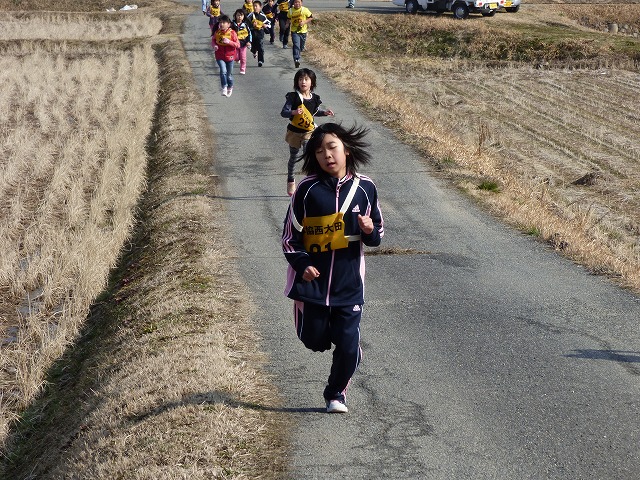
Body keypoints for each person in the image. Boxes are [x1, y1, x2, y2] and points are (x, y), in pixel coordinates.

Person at [282, 122, 384, 414]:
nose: (327, 155)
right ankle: (317, 331)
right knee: (314, 340)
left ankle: (335, 393)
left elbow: (377, 233)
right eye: (319, 151)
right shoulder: (307, 190)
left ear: (346, 149)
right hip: (312, 284)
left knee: (349, 346)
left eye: (332, 147)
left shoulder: (365, 188)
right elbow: (290, 238)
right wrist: (303, 264)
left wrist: (369, 230)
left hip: (348, 284)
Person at [281, 68, 334, 196]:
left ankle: (311, 182)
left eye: (306, 79)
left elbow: (313, 113)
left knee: (308, 154)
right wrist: (293, 112)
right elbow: (283, 112)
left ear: (312, 82)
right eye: (300, 79)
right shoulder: (293, 97)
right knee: (294, 157)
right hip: (294, 132)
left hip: (308, 132)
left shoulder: (314, 99)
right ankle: (291, 180)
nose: (303, 82)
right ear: (296, 82)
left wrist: (324, 113)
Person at [213, 15, 240, 97]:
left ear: (228, 24)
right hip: (219, 56)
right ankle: (224, 87)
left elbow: (238, 45)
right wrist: (214, 45)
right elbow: (213, 40)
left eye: (223, 22)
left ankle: (230, 87)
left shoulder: (232, 33)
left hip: (230, 56)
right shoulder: (217, 32)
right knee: (223, 71)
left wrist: (229, 42)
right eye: (220, 22)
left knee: (229, 75)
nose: (221, 24)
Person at [286, 0, 313, 68]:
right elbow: (288, 18)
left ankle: (298, 53)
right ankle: (296, 59)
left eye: (299, 2)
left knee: (301, 47)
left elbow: (311, 17)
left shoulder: (305, 10)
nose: (297, 3)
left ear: (301, 3)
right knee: (296, 45)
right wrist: (287, 24)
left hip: (303, 31)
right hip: (294, 31)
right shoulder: (290, 11)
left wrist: (304, 22)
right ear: (293, 3)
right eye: (295, 2)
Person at [246, 1, 271, 67]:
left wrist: (265, 25)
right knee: (253, 47)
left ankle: (260, 60)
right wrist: (252, 25)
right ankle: (254, 52)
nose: (255, 7)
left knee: (260, 47)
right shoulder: (250, 15)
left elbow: (269, 24)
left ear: (260, 7)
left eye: (256, 6)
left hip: (260, 34)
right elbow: (246, 24)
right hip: (252, 34)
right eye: (254, 6)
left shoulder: (263, 16)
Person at [232, 9, 252, 75]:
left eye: (241, 15)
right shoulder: (232, 25)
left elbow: (249, 34)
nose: (239, 17)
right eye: (238, 15)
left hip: (243, 44)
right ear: (235, 16)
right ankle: (238, 59)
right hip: (235, 44)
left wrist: (249, 41)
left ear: (243, 17)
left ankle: (242, 69)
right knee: (236, 57)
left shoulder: (245, 25)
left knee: (243, 58)